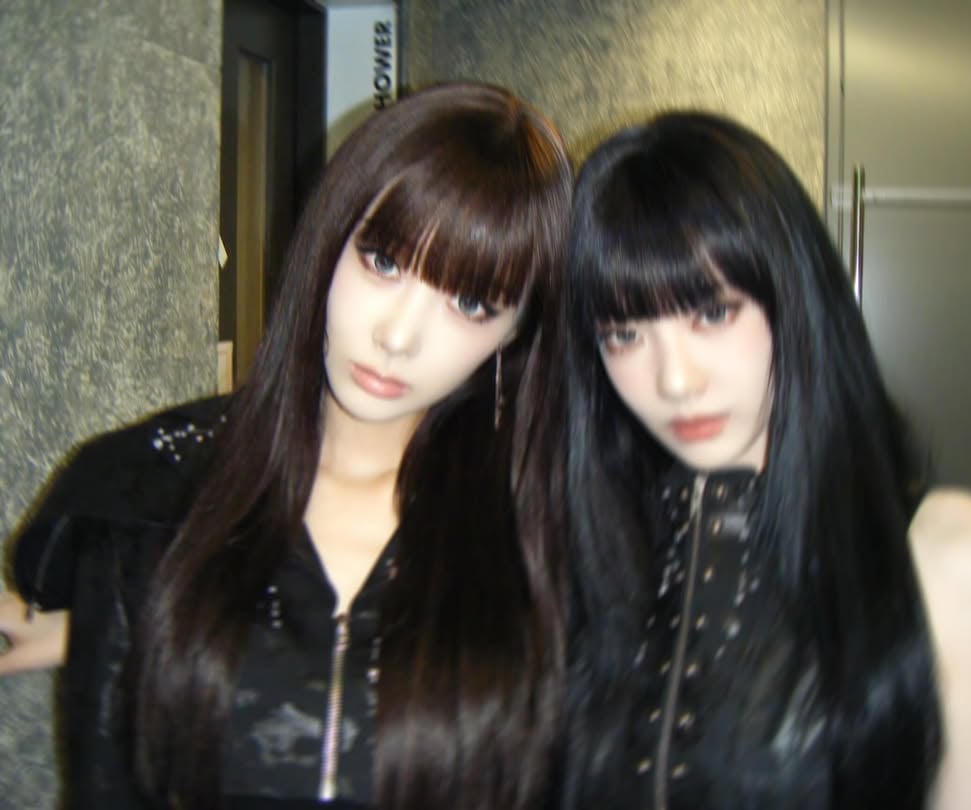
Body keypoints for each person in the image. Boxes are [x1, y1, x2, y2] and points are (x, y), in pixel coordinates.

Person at [0, 81, 573, 810]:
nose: (398, 336)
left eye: (470, 302)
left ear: (516, 334)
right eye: (384, 262)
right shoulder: (155, 493)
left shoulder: (546, 533)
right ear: (329, 238)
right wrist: (140, 626)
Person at [552, 113, 971, 810]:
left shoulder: (948, 553)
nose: (675, 380)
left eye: (713, 313)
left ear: (793, 298)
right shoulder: (587, 549)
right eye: (624, 334)